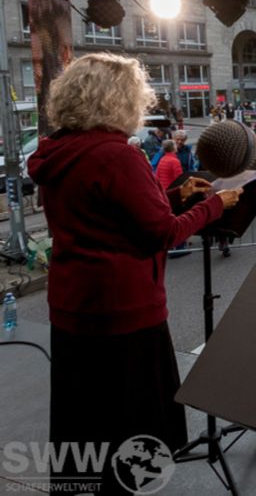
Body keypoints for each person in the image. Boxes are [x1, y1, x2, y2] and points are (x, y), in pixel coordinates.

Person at [27, 53, 243, 495]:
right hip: (124, 319)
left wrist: (172, 192)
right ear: (119, 100)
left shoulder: (59, 152)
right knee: (130, 438)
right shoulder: (115, 155)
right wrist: (214, 205)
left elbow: (106, 214)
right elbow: (161, 233)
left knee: (84, 428)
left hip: (74, 314)